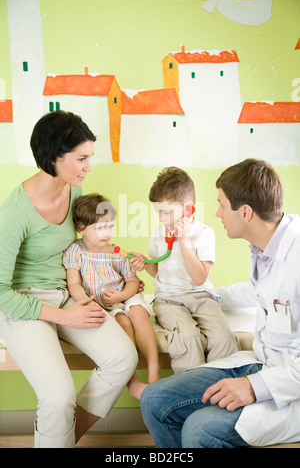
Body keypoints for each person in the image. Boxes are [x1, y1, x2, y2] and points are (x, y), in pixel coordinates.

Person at [0, 110, 138, 448]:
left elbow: (84, 247)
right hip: (23, 303)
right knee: (58, 397)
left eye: (89, 157)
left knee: (123, 358)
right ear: (53, 158)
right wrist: (64, 316)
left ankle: (59, 441)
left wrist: (120, 268)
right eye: (81, 158)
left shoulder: (75, 192)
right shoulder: (15, 213)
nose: (89, 166)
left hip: (66, 294)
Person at [140, 158, 300, 448]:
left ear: (246, 212)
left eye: (222, 205)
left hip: (290, 388)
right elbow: (260, 292)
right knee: (155, 399)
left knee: (199, 429)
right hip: (263, 364)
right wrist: (205, 298)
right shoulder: (267, 247)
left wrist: (255, 387)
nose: (217, 213)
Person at [130, 167, 239, 373]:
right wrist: (146, 264)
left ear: (187, 210)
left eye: (166, 212)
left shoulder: (205, 234)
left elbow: (199, 278)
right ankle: (192, 393)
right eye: (158, 213)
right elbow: (160, 273)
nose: (161, 219)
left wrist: (184, 241)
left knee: (224, 339)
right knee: (187, 338)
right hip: (169, 299)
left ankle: (217, 386)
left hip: (200, 296)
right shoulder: (159, 233)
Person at [63, 193, 160, 399]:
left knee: (139, 315)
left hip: (123, 295)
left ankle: (154, 371)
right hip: (101, 304)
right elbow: (74, 284)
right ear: (81, 228)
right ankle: (132, 380)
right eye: (100, 227)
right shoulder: (75, 251)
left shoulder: (116, 251)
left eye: (110, 226)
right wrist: (87, 304)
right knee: (124, 323)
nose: (107, 232)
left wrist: (121, 295)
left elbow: (133, 280)